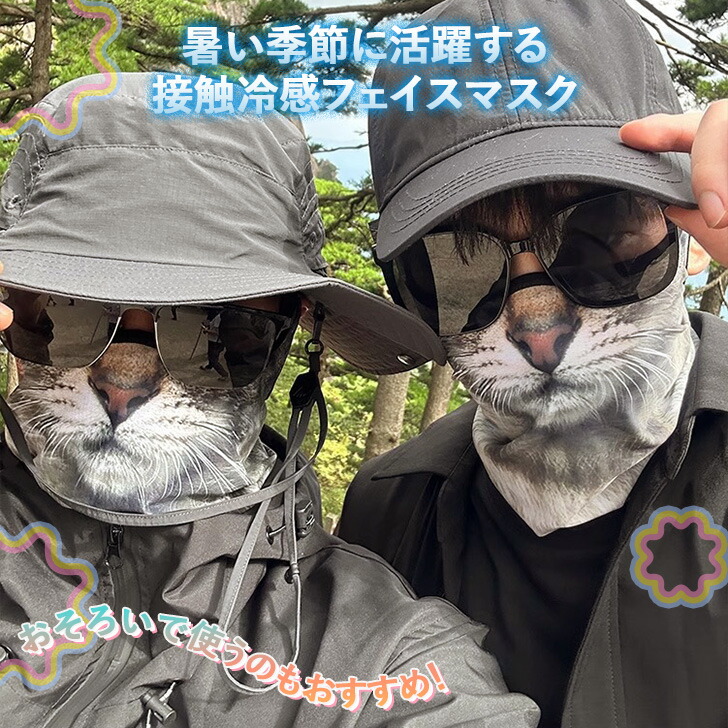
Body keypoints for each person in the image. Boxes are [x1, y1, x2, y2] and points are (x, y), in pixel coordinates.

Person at [0, 73, 540, 727]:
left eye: (213, 326)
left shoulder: (386, 654)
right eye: (66, 310)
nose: (124, 381)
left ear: (291, 333)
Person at [338, 0, 728, 726]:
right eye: (456, 264)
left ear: (688, 223)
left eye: (601, 229)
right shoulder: (388, 503)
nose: (536, 324)